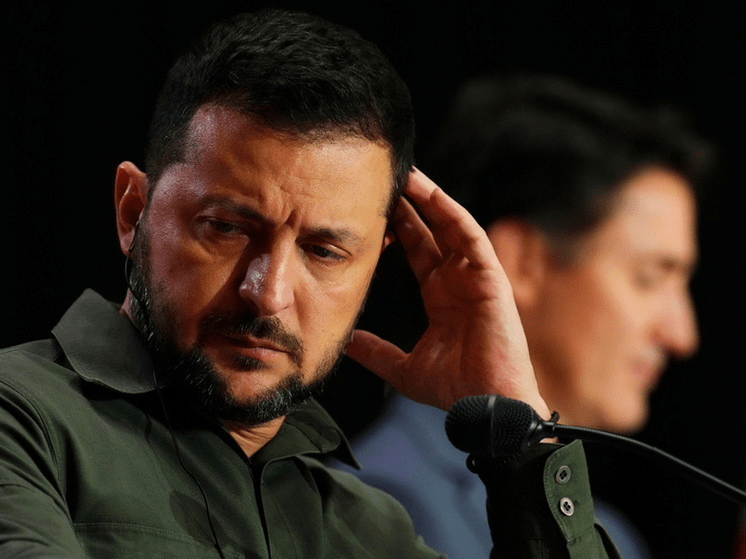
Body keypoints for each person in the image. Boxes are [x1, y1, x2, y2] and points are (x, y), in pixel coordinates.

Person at [0, 11, 620, 558]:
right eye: (227, 228)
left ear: (373, 266)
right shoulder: (22, 420)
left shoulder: (373, 532)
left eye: (324, 251)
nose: (268, 293)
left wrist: (522, 436)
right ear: (133, 212)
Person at [343, 73, 711, 559]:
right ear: (522, 263)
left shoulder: (613, 536)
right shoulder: (368, 515)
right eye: (648, 278)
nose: (683, 336)